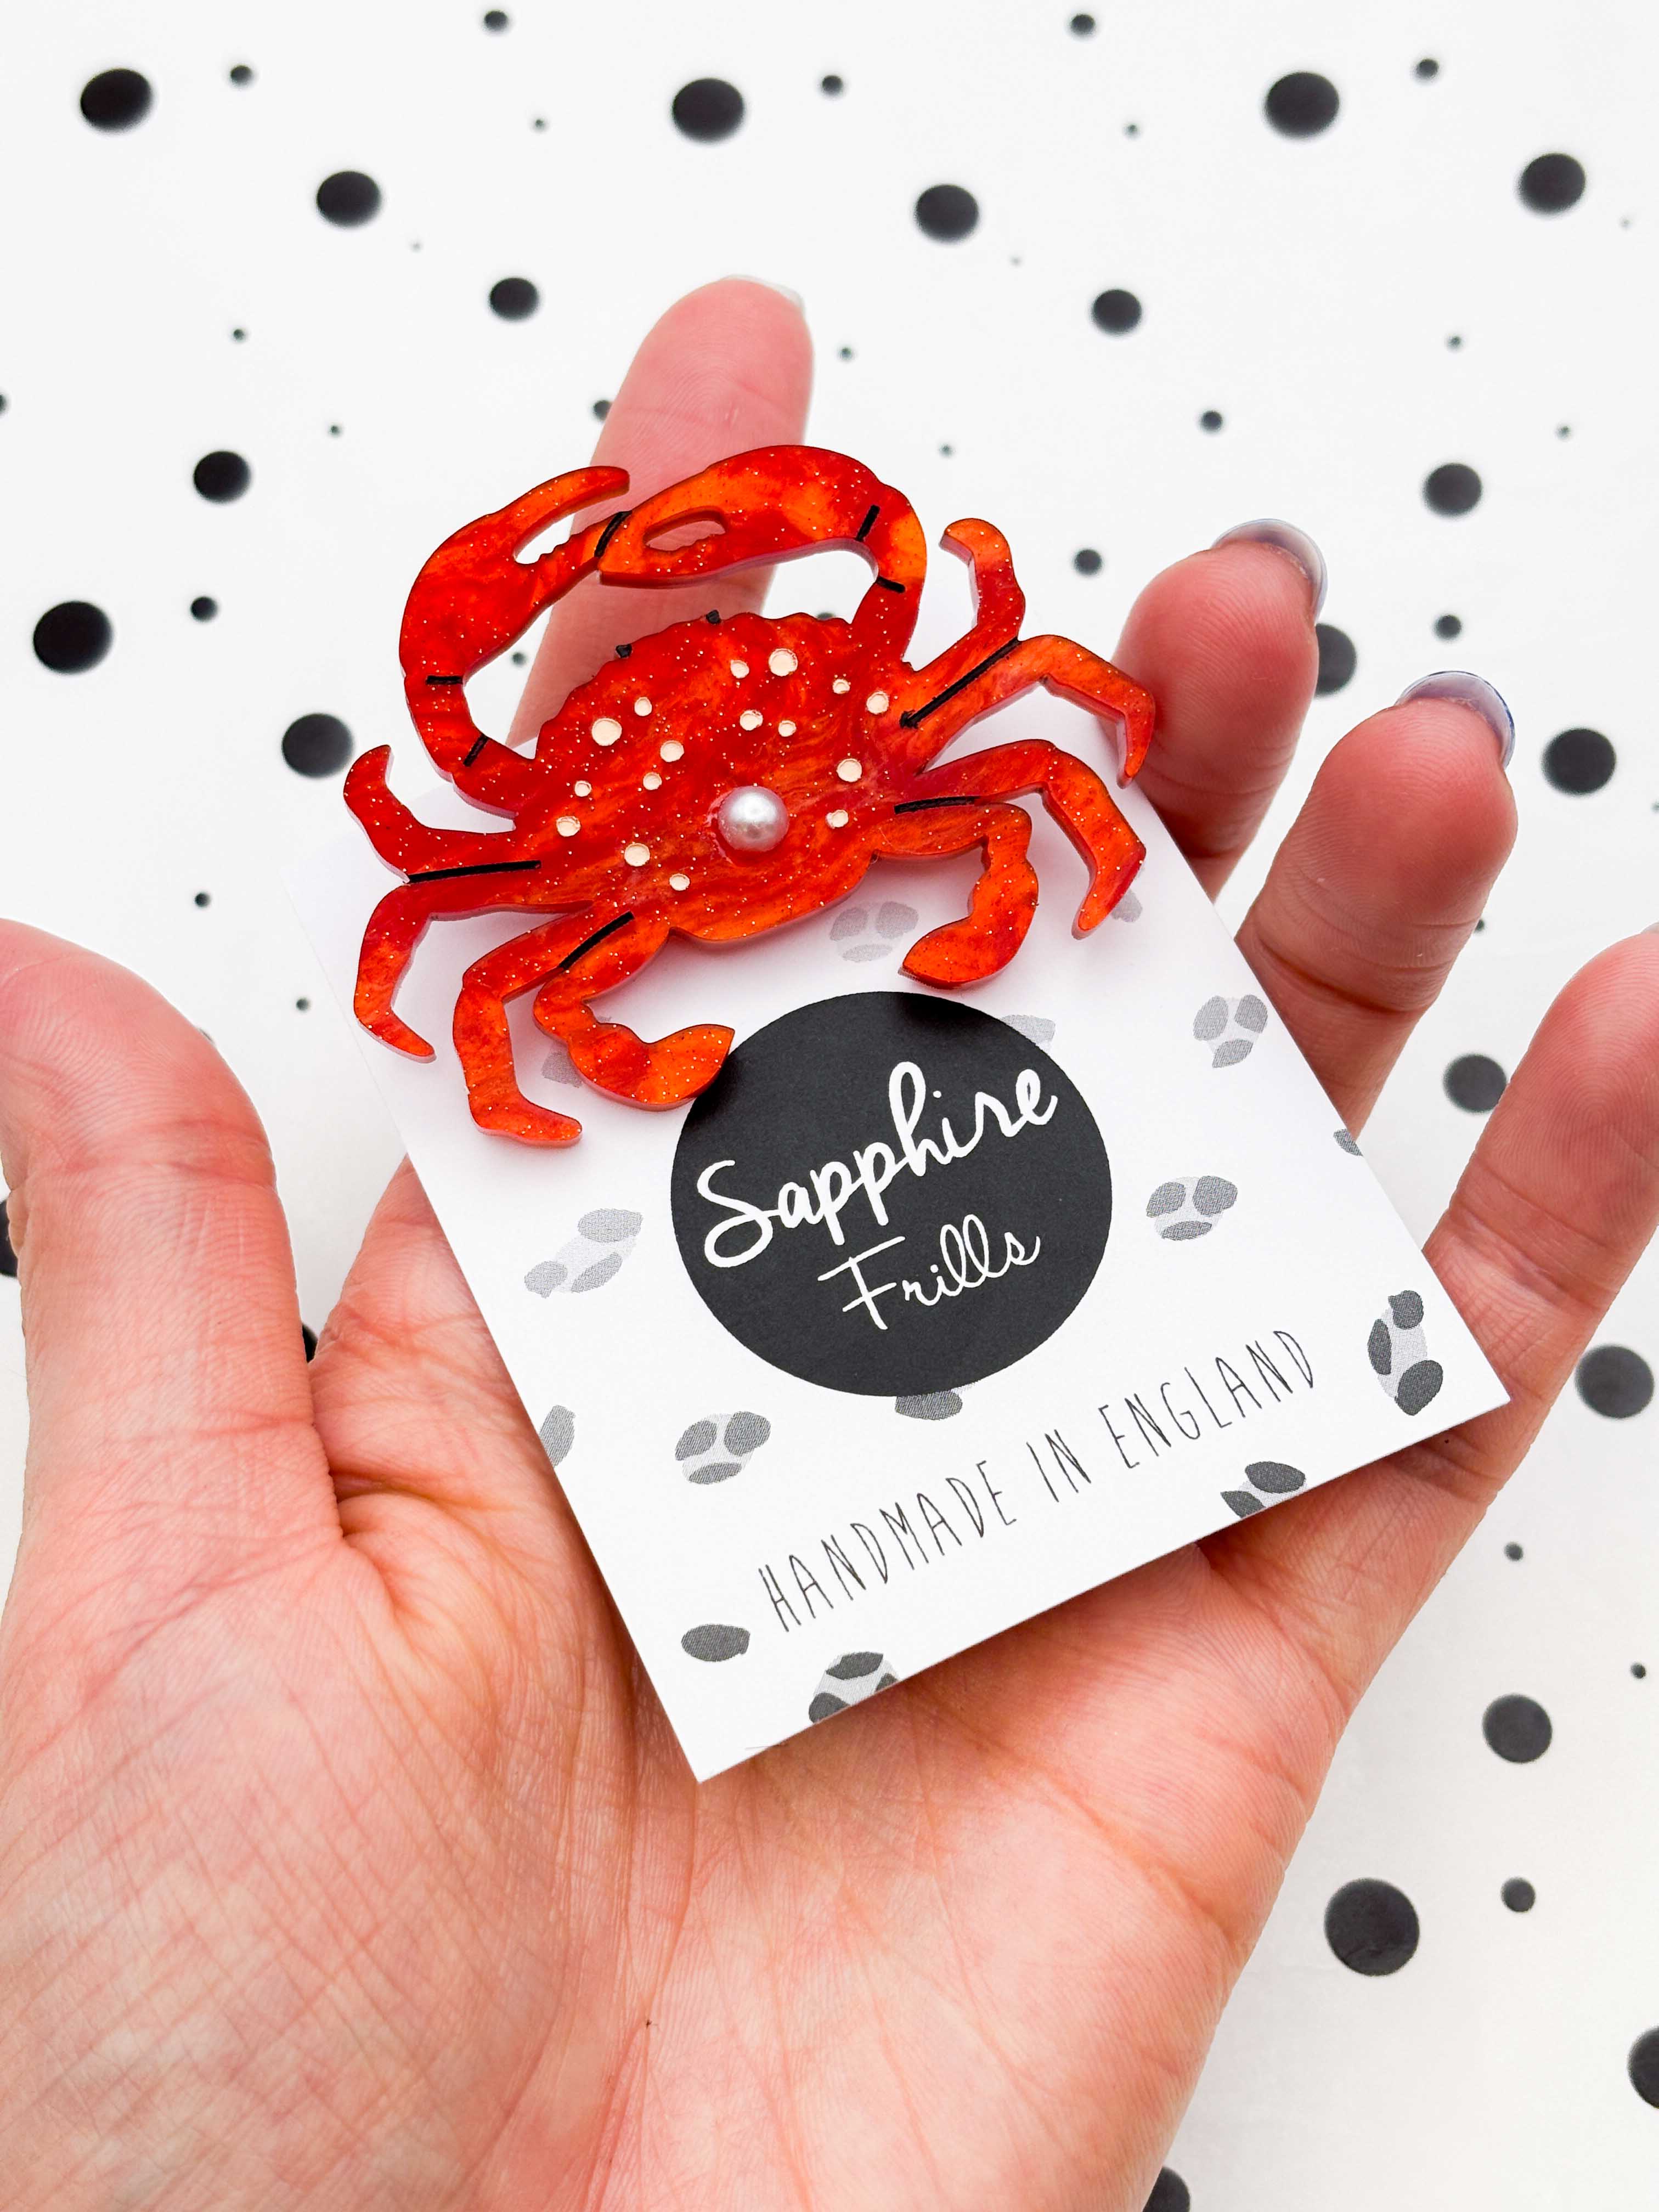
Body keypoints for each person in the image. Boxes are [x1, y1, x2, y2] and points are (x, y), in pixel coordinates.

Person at [0, 279, 1654, 2212]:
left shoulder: (894, 719)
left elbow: (1069, 727)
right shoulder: (550, 844)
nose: (706, 719)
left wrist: (1039, 887)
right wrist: (572, 1079)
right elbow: (432, 931)